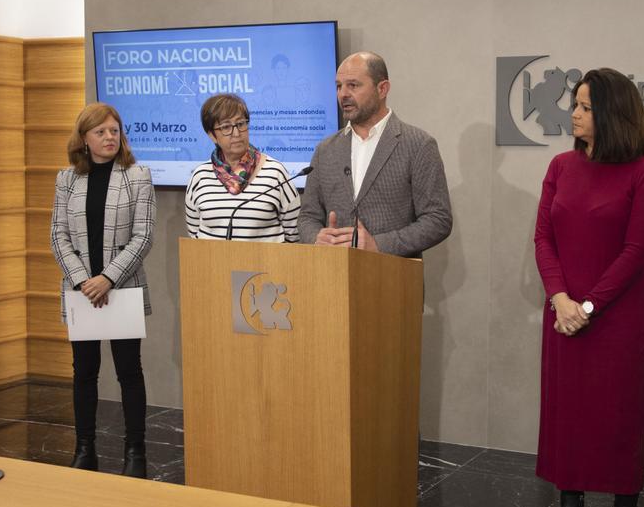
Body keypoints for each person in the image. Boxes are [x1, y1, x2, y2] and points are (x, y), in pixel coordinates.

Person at [533, 67, 644, 507]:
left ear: (611, 113)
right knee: (566, 419)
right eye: (576, 104)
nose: (575, 113)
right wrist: (560, 299)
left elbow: (635, 251)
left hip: (620, 320)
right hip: (564, 315)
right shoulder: (561, 167)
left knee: (620, 421)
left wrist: (588, 305)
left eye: (586, 107)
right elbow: (543, 237)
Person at [51, 102, 156, 478]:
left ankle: (135, 452)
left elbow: (143, 237)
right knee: (84, 373)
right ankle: (85, 449)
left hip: (122, 289)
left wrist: (107, 278)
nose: (110, 137)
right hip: (82, 292)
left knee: (130, 372)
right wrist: (84, 281)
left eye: (115, 130)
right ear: (84, 138)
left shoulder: (138, 175)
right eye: (101, 132)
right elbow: (58, 236)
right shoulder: (67, 179)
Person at [298, 51, 451, 257]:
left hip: (393, 280)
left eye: (353, 85)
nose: (343, 94)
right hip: (334, 279)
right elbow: (308, 216)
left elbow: (438, 219)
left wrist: (379, 244)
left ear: (382, 89)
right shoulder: (325, 150)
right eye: (338, 86)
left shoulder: (418, 144)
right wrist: (316, 237)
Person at [184, 93, 300, 242]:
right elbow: (195, 235)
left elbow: (295, 233)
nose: (237, 133)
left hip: (267, 265)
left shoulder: (275, 172)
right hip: (214, 264)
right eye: (226, 127)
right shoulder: (199, 177)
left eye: (240, 124)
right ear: (212, 135)